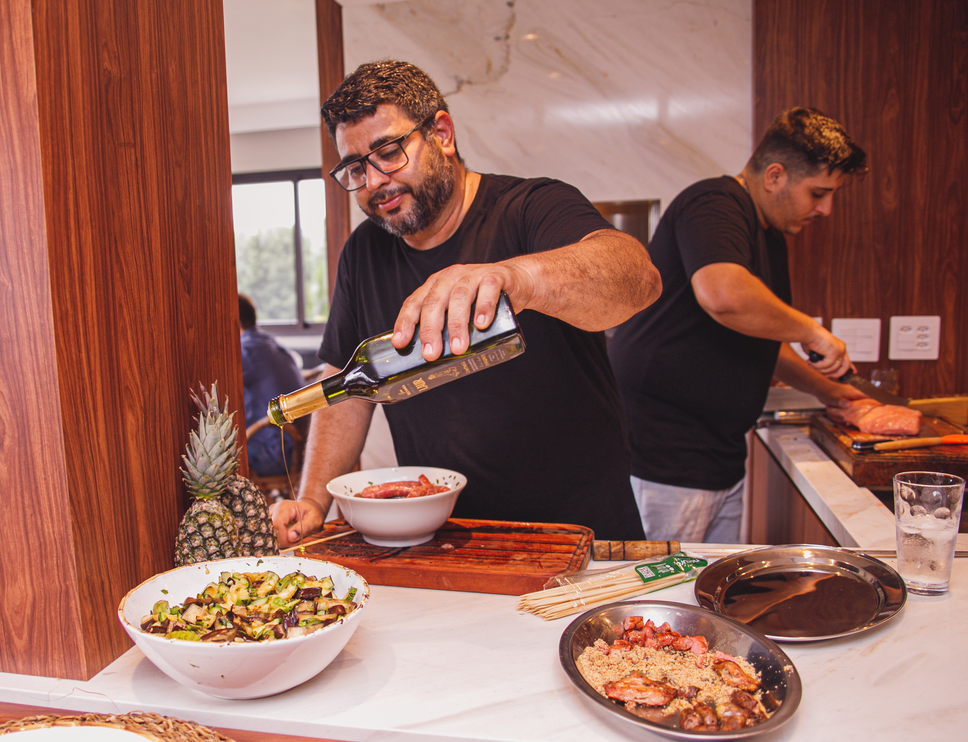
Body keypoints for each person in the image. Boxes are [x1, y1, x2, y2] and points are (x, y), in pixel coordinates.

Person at [271, 60, 662, 545]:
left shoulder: (531, 207)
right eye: (355, 167)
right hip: (447, 540)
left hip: (582, 533)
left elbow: (638, 279)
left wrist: (518, 276)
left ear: (442, 134)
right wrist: (312, 500)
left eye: (388, 153)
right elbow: (344, 386)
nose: (372, 183)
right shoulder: (364, 252)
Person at [607, 107, 870, 543]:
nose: (826, 209)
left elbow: (764, 340)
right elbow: (723, 295)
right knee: (664, 582)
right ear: (775, 176)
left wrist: (827, 391)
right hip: (667, 458)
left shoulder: (768, 235)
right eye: (818, 193)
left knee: (709, 582)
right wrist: (813, 332)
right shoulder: (714, 203)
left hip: (718, 455)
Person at [238, 293, 304, 477]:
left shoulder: (245, 352)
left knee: (215, 458)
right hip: (298, 447)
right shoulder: (267, 342)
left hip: (274, 453)